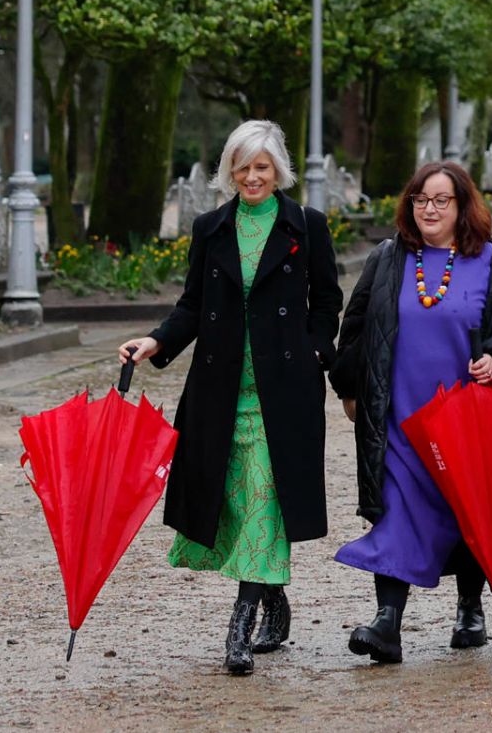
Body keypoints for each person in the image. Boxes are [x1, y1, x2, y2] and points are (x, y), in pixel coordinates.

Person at [117, 120, 342, 676]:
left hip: (283, 391)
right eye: (242, 167)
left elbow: (327, 303)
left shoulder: (307, 226)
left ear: (278, 170)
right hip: (221, 388)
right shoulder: (211, 228)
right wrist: (155, 340)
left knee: (266, 497)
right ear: (230, 170)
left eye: (261, 167)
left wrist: (316, 353)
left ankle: (238, 629)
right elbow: (193, 304)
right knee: (236, 503)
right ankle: (275, 600)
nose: (251, 177)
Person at [328, 160, 492, 664]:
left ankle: (470, 608)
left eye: (441, 200)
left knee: (465, 508)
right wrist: (350, 386)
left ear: (462, 206)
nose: (429, 209)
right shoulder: (388, 260)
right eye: (420, 200)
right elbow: (357, 326)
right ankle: (387, 623)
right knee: (396, 511)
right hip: (398, 417)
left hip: (465, 421)